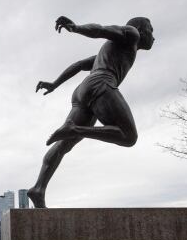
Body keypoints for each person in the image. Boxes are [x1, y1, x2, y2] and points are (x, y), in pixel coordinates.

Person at [27, 16, 155, 208]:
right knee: (129, 137)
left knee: (63, 145)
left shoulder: (111, 53)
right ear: (141, 29)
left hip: (82, 90)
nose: (154, 36)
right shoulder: (132, 33)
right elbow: (101, 30)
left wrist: (54, 84)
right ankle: (75, 130)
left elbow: (79, 65)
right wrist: (76, 28)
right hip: (101, 83)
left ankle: (38, 188)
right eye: (151, 30)